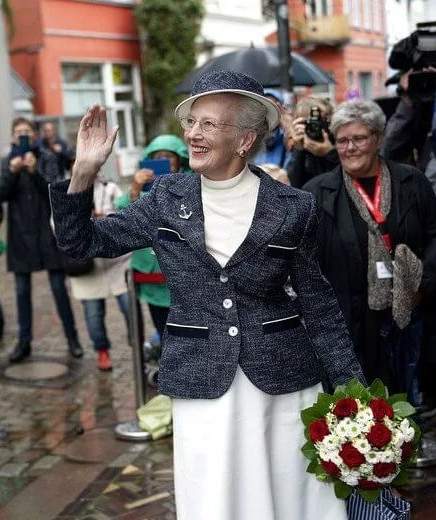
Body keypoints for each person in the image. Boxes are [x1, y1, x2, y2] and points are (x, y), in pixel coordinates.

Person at [50, 70, 365, 520]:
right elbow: (80, 243)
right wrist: (82, 171)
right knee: (213, 500)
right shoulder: (164, 197)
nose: (193, 134)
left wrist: (354, 391)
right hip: (201, 380)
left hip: (283, 380)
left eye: (209, 124)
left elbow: (318, 303)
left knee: (292, 497)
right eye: (191, 122)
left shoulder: (294, 207)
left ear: (244, 139)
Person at [303, 100, 436, 405]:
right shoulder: (316, 192)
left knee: (406, 404)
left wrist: (423, 285)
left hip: (408, 315)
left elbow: (433, 235)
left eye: (359, 138)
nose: (350, 147)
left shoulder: (411, 181)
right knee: (355, 411)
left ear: (377, 138)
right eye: (342, 140)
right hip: (349, 322)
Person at [0, 117, 83, 363]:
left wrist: (34, 172)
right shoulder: (8, 161)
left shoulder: (47, 157)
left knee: (58, 289)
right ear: (13, 137)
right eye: (18, 132)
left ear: (34, 135)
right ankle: (24, 343)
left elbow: (55, 194)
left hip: (47, 233)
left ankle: (72, 338)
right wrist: (13, 172)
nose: (23, 135)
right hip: (20, 235)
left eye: (26, 131)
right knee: (22, 292)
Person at [114, 135, 190, 345]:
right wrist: (135, 189)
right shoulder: (144, 189)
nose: (164, 159)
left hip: (184, 276)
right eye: (158, 156)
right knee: (164, 333)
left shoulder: (192, 182)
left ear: (179, 159)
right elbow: (123, 216)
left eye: (168, 156)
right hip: (151, 277)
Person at [69, 174, 131, 371]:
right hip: (88, 267)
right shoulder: (66, 191)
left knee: (130, 308)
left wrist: (106, 218)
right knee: (93, 315)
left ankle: (137, 345)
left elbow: (127, 213)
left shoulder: (110, 187)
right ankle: (102, 350)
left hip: (117, 263)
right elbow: (57, 225)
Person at [287, 96, 339, 189]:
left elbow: (343, 181)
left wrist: (329, 153)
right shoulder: (299, 147)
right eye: (306, 123)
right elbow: (295, 185)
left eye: (316, 121)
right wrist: (299, 150)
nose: (313, 127)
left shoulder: (339, 142)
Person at [251, 88, 292, 171]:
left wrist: (288, 129)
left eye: (272, 107)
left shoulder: (286, 135)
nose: (267, 113)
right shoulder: (252, 137)